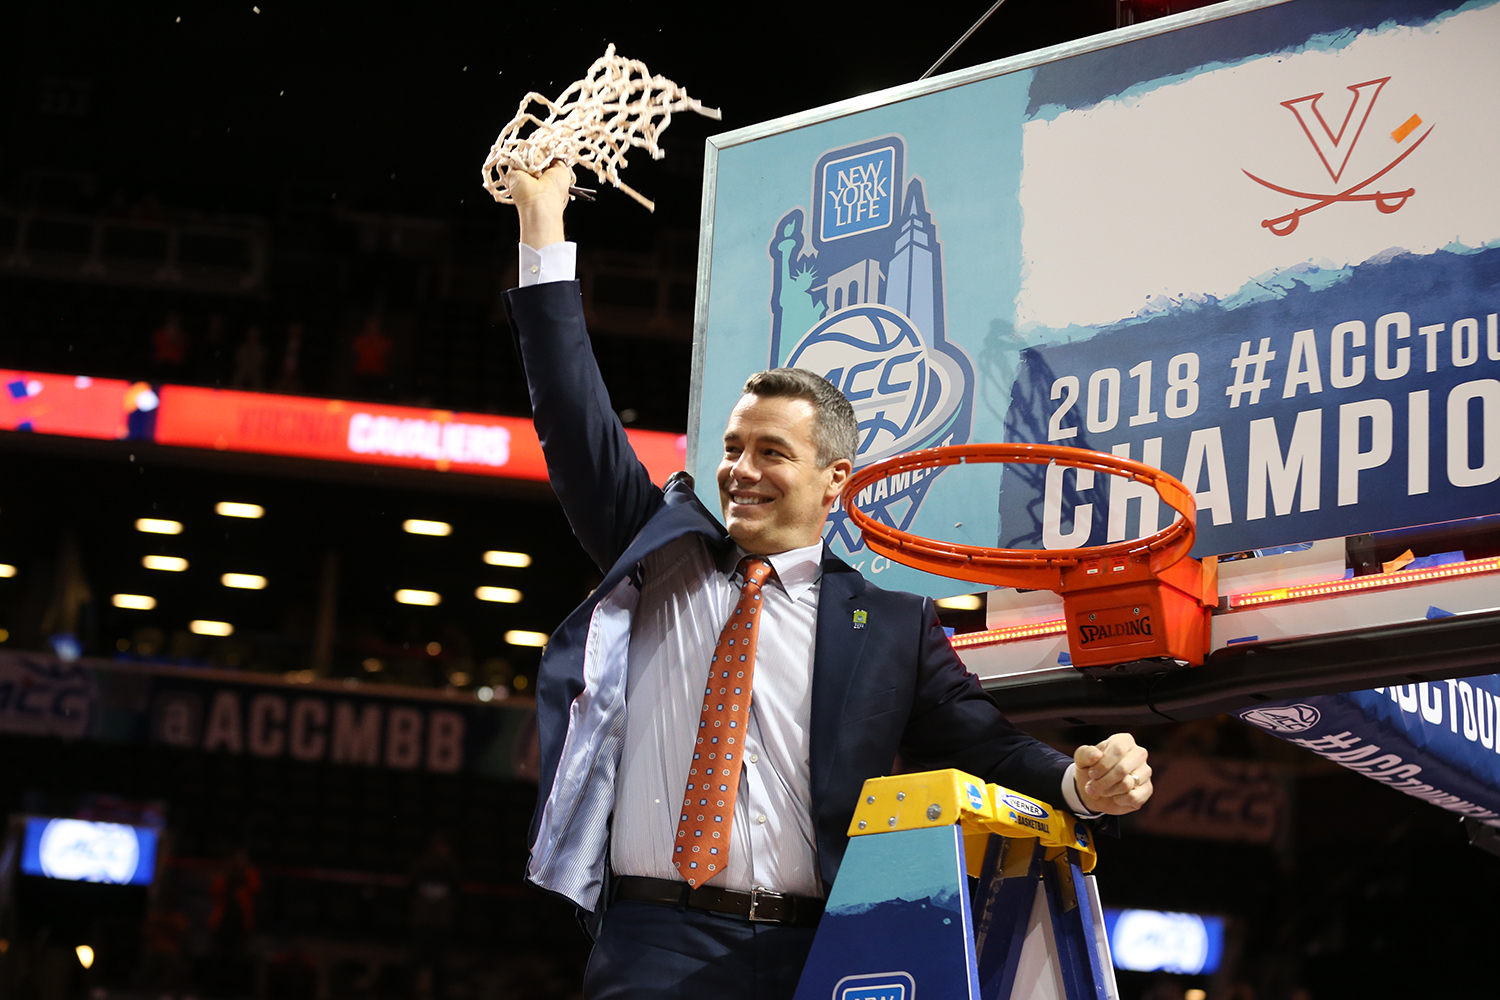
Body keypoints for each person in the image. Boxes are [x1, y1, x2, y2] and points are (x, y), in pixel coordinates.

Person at [502, 163, 1154, 1000]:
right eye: (734, 448)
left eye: (772, 452)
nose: (740, 470)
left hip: (824, 954)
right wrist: (543, 225)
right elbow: (571, 410)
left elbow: (987, 747)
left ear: (836, 478)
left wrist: (1082, 782)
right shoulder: (662, 553)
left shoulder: (891, 626)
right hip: (653, 943)